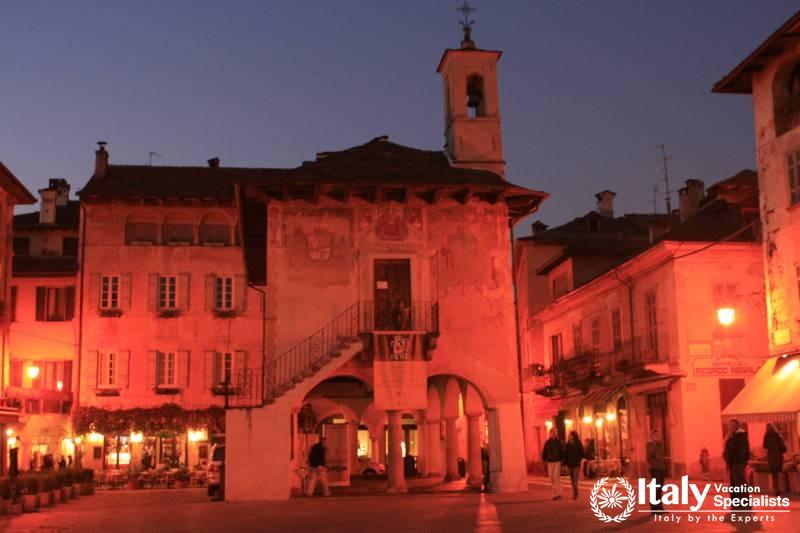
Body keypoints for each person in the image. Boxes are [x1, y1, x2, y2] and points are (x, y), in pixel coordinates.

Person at [723, 418, 750, 512]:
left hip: (737, 463)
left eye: (730, 426)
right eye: (728, 426)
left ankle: (743, 504)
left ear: (735, 426)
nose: (728, 428)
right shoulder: (733, 436)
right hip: (733, 463)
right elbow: (726, 446)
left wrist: (733, 460)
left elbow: (739, 451)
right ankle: (737, 504)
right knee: (735, 484)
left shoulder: (740, 436)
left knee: (740, 484)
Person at [763, 423, 787, 496]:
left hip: (771, 456)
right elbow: (783, 447)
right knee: (779, 472)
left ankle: (775, 489)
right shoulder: (777, 435)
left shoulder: (766, 436)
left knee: (774, 474)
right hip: (778, 455)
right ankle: (781, 488)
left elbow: (765, 446)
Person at [646, 428, 667, 511]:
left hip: (661, 468)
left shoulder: (659, 444)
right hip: (654, 469)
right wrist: (657, 465)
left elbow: (661, 455)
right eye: (657, 435)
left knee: (660, 488)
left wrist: (663, 465)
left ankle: (659, 507)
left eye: (659, 435)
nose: (659, 436)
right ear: (653, 436)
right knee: (656, 487)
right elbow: (649, 458)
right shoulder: (650, 444)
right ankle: (654, 507)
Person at [542, 428, 565, 500]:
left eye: (555, 432)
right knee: (551, 477)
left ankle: (557, 493)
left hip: (557, 460)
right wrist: (544, 459)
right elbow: (545, 451)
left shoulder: (559, 442)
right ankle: (555, 492)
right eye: (552, 432)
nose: (554, 434)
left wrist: (563, 459)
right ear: (550, 433)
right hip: (550, 461)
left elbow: (562, 451)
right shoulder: (547, 442)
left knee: (556, 476)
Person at [564, 431, 584, 499]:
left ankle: (575, 493)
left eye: (570, 435)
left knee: (575, 480)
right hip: (569, 464)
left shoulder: (578, 443)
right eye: (569, 435)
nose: (569, 436)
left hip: (576, 464)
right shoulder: (567, 444)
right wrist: (565, 463)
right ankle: (575, 491)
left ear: (573, 436)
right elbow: (566, 454)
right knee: (572, 481)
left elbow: (582, 452)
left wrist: (579, 459)